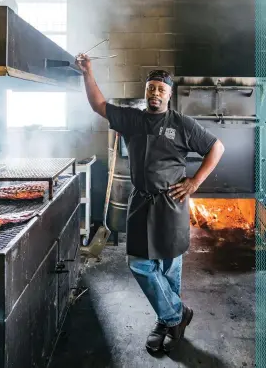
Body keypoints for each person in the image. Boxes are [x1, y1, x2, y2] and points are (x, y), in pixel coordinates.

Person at [76, 54, 225, 353]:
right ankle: (176, 315)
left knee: (170, 268)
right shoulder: (132, 119)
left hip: (171, 204)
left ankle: (166, 320)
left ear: (169, 94)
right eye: (151, 88)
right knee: (141, 264)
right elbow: (98, 105)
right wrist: (87, 72)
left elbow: (216, 147)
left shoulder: (182, 124)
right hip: (141, 202)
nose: (155, 93)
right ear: (145, 93)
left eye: (160, 89)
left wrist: (194, 182)